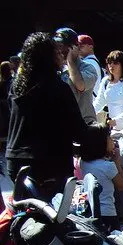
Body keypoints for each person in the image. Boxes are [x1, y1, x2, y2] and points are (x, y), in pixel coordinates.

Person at [5, 32, 87, 187]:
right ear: (48, 58)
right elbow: (78, 130)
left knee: (23, 205)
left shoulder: (16, 87)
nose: (61, 56)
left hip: (15, 160)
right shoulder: (58, 88)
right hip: (49, 163)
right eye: (57, 53)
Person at [78, 123, 123, 230]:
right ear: (101, 143)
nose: (112, 140)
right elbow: (122, 185)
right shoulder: (108, 166)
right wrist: (116, 161)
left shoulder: (83, 162)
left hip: (91, 209)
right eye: (109, 137)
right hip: (108, 213)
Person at [54, 27, 98, 124]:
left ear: (75, 47)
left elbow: (80, 85)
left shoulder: (88, 68)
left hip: (85, 124)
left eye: (62, 46)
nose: (60, 50)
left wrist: (70, 61)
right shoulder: (58, 70)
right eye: (57, 46)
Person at [93, 50, 123, 131]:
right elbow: (99, 102)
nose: (111, 66)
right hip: (115, 129)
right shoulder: (105, 82)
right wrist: (88, 115)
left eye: (115, 63)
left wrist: (116, 120)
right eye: (109, 63)